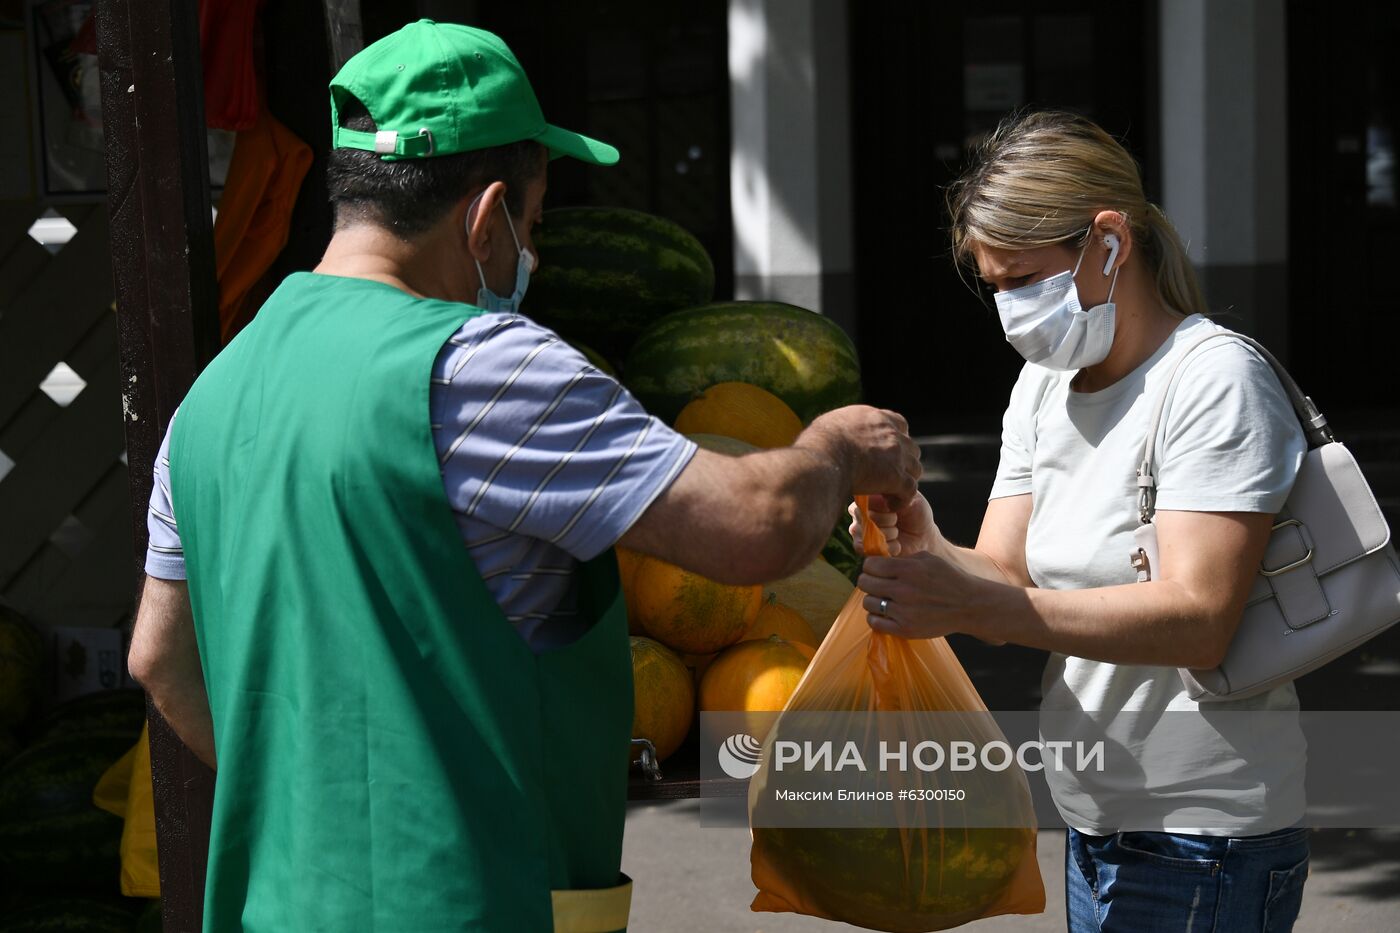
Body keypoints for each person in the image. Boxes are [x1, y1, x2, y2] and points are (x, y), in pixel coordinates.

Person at [127, 20, 921, 933]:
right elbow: (756, 525)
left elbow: (159, 656)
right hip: (463, 902)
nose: (529, 258)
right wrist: (836, 447)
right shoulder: (481, 365)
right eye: (532, 228)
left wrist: (318, 803)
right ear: (485, 214)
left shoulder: (213, 395)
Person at [850, 111, 1311, 931]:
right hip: (1095, 818)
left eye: (1025, 280)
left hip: (1204, 835)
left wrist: (987, 607)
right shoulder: (1042, 387)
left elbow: (1200, 618)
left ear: (1109, 242)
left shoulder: (1213, 381)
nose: (1013, 311)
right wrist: (923, 538)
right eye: (996, 289)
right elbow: (1004, 574)